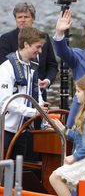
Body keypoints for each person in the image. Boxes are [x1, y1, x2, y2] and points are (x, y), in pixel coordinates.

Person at [0, 27, 49, 159]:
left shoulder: (31, 67)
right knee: (3, 169)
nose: (40, 51)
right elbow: (6, 102)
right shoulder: (6, 68)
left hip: (23, 129)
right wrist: (33, 112)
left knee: (20, 169)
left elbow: (36, 92)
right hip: (5, 129)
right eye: (38, 47)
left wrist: (41, 106)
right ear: (26, 44)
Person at [0, 2, 58, 101]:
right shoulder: (6, 39)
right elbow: (3, 68)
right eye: (19, 17)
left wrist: (47, 81)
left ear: (33, 19)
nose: (22, 20)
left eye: (26, 17)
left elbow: (52, 65)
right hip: (16, 96)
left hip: (40, 94)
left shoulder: (44, 37)